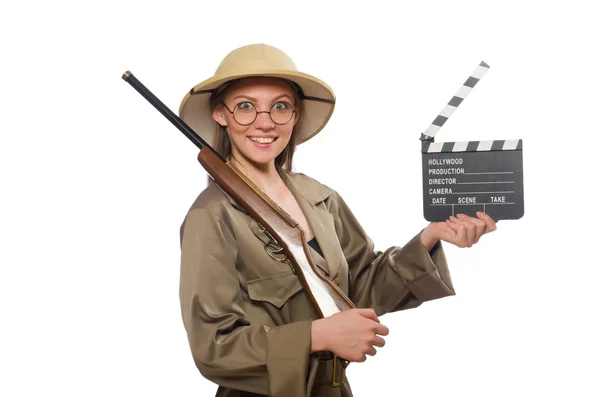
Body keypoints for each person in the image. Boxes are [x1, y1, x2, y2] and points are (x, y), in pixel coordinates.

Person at [177, 43, 497, 397]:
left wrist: (430, 237)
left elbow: (358, 288)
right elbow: (213, 347)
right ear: (220, 114)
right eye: (245, 107)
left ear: (295, 115)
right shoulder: (211, 216)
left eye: (280, 106)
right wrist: (317, 336)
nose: (264, 122)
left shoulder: (320, 197)